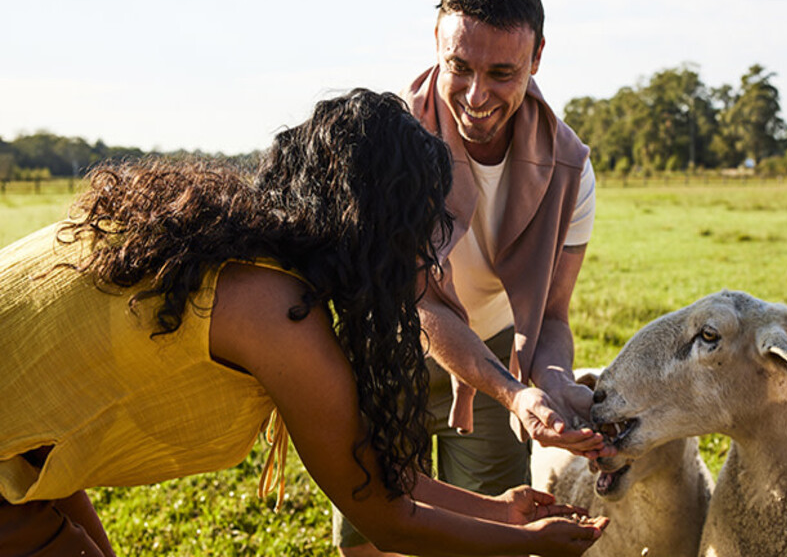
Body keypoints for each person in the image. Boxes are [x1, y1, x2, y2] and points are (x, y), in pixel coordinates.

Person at [0, 89, 607, 557]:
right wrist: (532, 543)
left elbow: (371, 475)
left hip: (24, 449)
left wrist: (501, 512)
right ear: (374, 227)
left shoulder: (227, 249)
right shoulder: (274, 311)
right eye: (419, 231)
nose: (426, 258)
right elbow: (382, 513)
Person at [333, 0, 612, 556]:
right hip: (392, 348)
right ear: (437, 41)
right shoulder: (393, 146)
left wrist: (554, 384)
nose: (476, 95)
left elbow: (553, 318)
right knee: (374, 533)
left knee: (486, 537)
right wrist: (515, 393)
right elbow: (415, 299)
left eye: (502, 72)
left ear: (537, 57)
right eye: (458, 66)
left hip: (492, 356)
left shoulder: (571, 170)